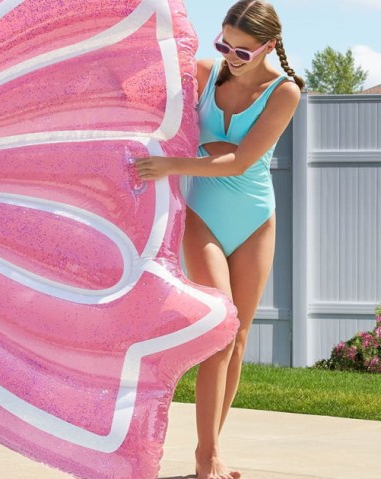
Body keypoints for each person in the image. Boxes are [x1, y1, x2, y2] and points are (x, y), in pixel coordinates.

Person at [134, 1, 305, 478]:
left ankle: (212, 450)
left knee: (239, 336)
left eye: (244, 51)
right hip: (201, 213)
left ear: (268, 46)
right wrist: (200, 151)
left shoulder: (284, 92)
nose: (231, 55)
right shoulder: (205, 73)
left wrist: (179, 162)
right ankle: (205, 458)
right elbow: (150, 81)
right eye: (224, 44)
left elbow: (240, 163)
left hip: (255, 217)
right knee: (218, 329)